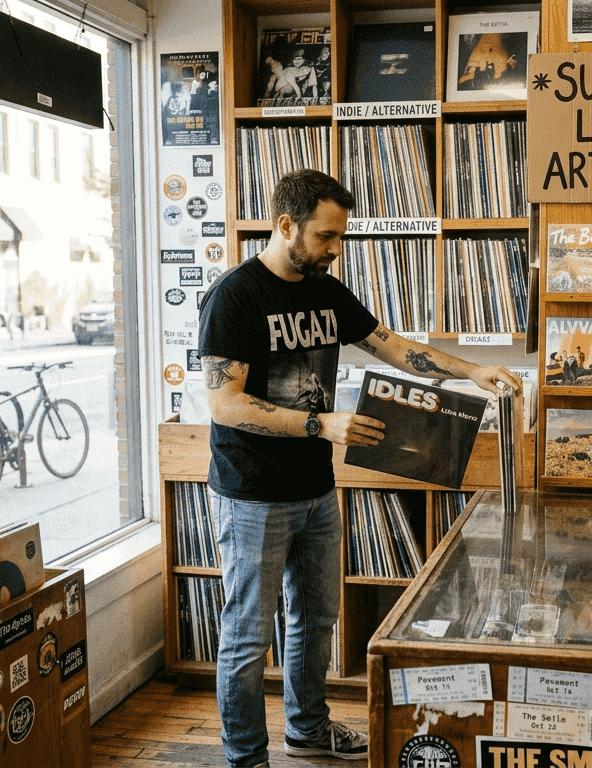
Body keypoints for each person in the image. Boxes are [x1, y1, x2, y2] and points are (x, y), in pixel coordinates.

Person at [197, 169, 521, 768]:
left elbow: (394, 347)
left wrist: (470, 371)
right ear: (286, 224)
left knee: (316, 620)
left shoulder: (325, 289)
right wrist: (321, 425)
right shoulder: (235, 296)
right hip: (252, 495)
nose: (335, 248)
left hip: (316, 490)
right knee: (247, 636)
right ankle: (246, 758)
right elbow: (225, 404)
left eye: (340, 236)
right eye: (325, 235)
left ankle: (307, 731)